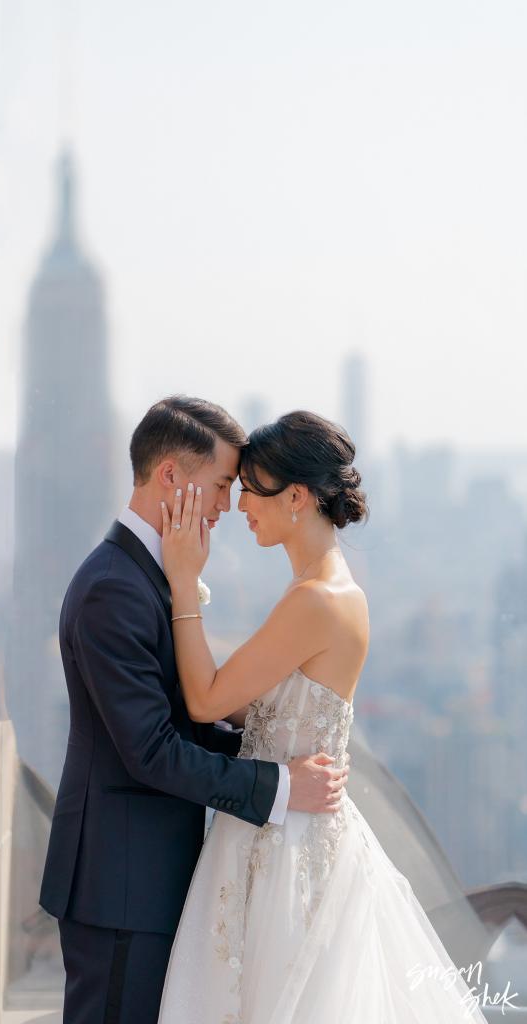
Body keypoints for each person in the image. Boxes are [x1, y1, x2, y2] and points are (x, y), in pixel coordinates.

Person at [156, 409, 489, 1023]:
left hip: (285, 842)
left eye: (252, 490)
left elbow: (207, 701)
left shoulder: (315, 601)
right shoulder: (328, 589)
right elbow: (242, 704)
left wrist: (182, 581)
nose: (241, 507)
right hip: (290, 824)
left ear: (298, 497)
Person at [38, 397, 350, 1024]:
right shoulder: (112, 589)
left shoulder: (146, 578)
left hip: (146, 879)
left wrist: (265, 745)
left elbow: (185, 721)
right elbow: (151, 750)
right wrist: (280, 784)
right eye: (220, 486)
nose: (227, 507)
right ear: (172, 478)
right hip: (121, 888)